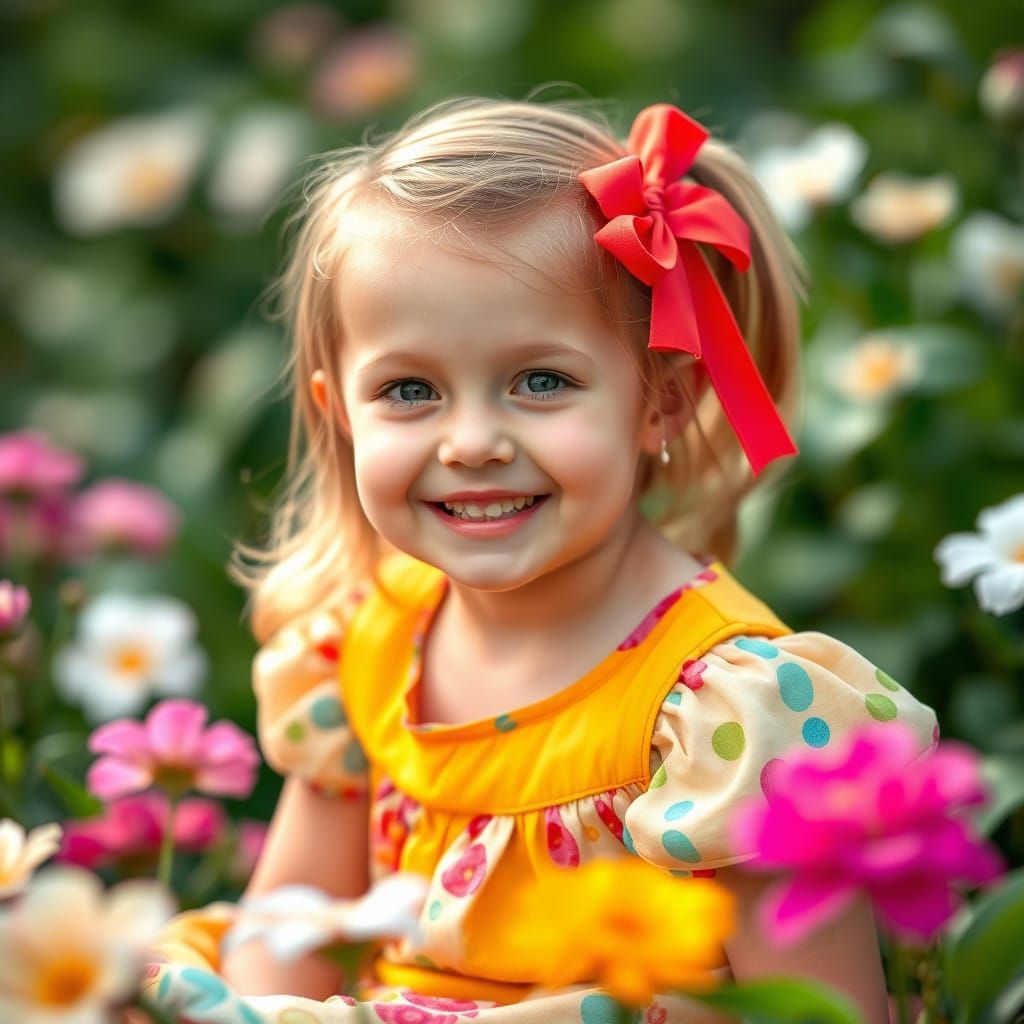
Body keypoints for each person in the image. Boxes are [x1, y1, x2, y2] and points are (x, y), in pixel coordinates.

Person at [148, 97, 938, 1024]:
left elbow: (823, 1013)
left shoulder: (725, 712)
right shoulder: (371, 635)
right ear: (340, 414)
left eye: (541, 381)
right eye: (410, 390)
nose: (472, 443)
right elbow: (290, 931)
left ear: (660, 400)